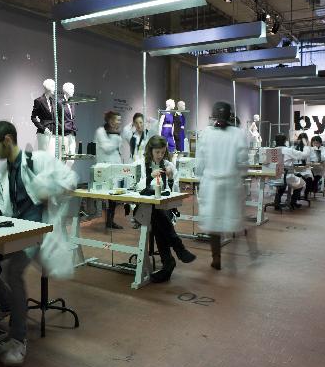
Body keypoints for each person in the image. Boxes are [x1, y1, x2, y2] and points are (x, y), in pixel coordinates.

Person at [0, 120, 77, 367]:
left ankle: (18, 339)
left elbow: (71, 179)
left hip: (39, 232)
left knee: (12, 271)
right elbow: (5, 204)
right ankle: (7, 304)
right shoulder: (6, 171)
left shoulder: (38, 160)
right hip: (16, 231)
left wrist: (48, 190)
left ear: (8, 140)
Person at [196, 102, 248, 270]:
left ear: (213, 115)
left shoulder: (206, 134)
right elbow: (243, 162)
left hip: (211, 184)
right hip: (231, 183)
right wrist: (240, 175)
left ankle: (216, 257)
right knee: (232, 221)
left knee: (214, 224)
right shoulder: (238, 134)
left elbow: (200, 161)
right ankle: (232, 259)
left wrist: (199, 177)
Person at [136, 136, 195, 282]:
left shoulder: (168, 165)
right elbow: (136, 187)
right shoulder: (141, 165)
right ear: (150, 151)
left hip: (164, 208)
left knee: (157, 217)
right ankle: (178, 248)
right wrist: (150, 177)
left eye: (162, 152)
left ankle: (168, 264)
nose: (160, 155)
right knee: (156, 213)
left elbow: (174, 192)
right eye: (157, 152)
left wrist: (170, 177)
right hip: (143, 208)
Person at [94, 111, 124, 229]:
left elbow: (117, 151)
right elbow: (107, 148)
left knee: (113, 197)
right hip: (104, 170)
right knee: (106, 196)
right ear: (111, 121)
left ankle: (110, 221)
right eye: (118, 120)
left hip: (114, 169)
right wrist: (116, 138)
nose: (119, 122)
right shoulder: (101, 131)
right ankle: (108, 221)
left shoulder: (115, 133)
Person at [274, 134, 310, 209]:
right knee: (302, 183)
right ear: (285, 141)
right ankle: (293, 202)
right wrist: (306, 145)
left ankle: (276, 202)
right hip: (286, 176)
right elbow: (304, 155)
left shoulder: (272, 150)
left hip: (273, 176)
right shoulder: (288, 150)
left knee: (281, 184)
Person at [294, 132, 314, 200]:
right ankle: (297, 195)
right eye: (301, 139)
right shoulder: (294, 148)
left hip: (305, 169)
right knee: (299, 178)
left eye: (304, 140)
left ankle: (306, 194)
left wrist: (309, 163)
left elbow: (311, 157)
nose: (302, 141)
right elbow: (303, 155)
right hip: (296, 169)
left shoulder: (308, 148)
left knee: (309, 179)